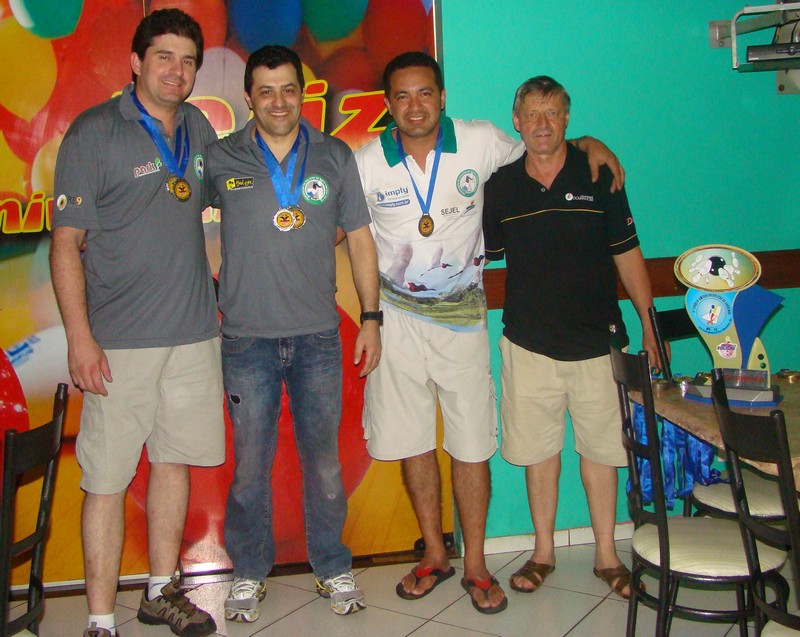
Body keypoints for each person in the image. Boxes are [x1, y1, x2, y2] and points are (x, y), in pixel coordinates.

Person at [354, 51, 625, 614]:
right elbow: (346, 233)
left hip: (462, 320)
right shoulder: (366, 162)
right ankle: (434, 555)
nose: (415, 106)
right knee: (411, 441)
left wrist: (590, 143)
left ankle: (476, 565)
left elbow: (542, 142)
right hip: (396, 322)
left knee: (473, 443)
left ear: (442, 97)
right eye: (402, 96)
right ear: (388, 105)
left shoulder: (479, 141)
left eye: (425, 93)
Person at [50, 9, 223, 637]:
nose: (177, 71)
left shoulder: (198, 127)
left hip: (193, 335)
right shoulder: (94, 132)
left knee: (173, 463)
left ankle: (160, 592)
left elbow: (235, 198)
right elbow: (65, 244)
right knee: (105, 478)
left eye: (188, 60)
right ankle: (100, 620)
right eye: (164, 57)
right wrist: (80, 339)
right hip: (119, 343)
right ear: (135, 63)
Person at [204, 45, 381, 623]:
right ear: (248, 98)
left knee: (324, 466)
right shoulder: (222, 157)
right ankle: (248, 571)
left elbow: (360, 239)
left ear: (302, 93)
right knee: (249, 467)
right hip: (246, 340)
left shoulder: (333, 155)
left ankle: (331, 564)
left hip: (317, 339)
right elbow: (175, 218)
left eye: (288, 89)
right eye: (266, 91)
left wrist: (372, 318)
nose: (278, 102)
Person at [483, 75, 658, 600]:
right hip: (528, 344)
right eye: (532, 114)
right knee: (539, 454)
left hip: (598, 343)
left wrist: (650, 326)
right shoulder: (500, 186)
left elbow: (628, 253)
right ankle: (542, 553)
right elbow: (482, 257)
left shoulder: (599, 173)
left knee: (602, 453)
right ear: (517, 122)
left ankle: (607, 556)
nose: (542, 124)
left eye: (553, 113)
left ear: (566, 119)